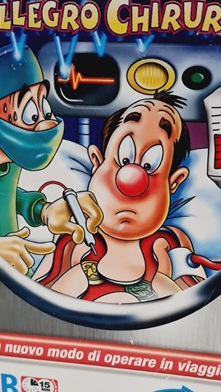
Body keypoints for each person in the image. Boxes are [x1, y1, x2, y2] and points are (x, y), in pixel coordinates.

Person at [0, 45, 102, 276]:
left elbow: (2, 195)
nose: (46, 125)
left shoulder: (8, 148)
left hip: (13, 271)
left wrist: (43, 210)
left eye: (45, 110)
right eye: (31, 115)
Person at [37, 92, 204, 302]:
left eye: (149, 164)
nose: (131, 182)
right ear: (96, 162)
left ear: (174, 182)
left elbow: (198, 296)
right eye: (125, 158)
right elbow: (39, 293)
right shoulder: (73, 242)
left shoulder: (169, 244)